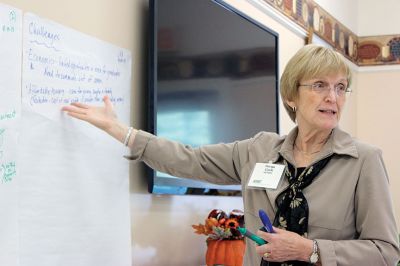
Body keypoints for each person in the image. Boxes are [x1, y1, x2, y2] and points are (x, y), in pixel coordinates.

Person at [62, 45, 400, 265]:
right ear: (292, 95)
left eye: (341, 87)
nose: (333, 97)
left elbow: (387, 252)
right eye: (320, 85)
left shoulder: (364, 160)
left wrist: (310, 250)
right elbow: (187, 159)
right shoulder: (259, 150)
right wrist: (122, 131)